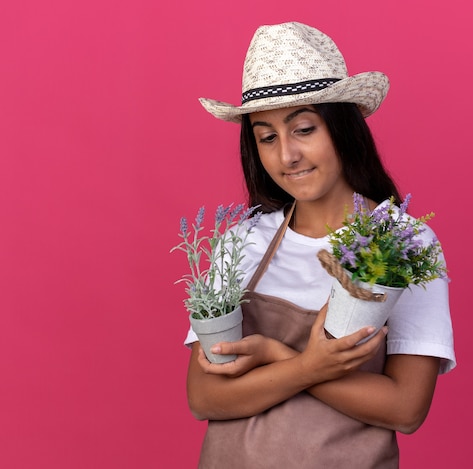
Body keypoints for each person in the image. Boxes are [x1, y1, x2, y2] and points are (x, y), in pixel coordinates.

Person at [184, 22, 456, 468]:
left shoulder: (400, 243)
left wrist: (277, 358)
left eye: (304, 129)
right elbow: (205, 396)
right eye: (267, 137)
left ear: (342, 128)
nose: (286, 155)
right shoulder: (241, 243)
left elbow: (406, 409)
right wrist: (308, 366)